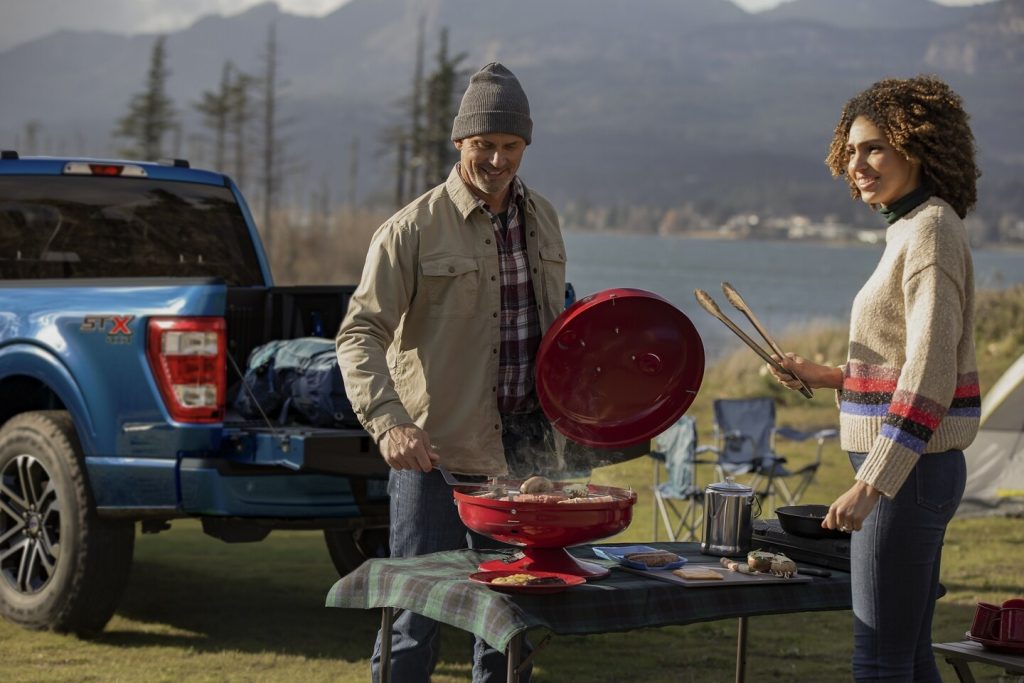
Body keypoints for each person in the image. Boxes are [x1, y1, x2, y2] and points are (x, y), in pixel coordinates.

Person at [336, 62, 566, 682]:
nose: (497, 159)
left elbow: (556, 327)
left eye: (510, 146)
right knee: (414, 619)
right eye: (483, 145)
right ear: (459, 143)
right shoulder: (409, 229)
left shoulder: (544, 218)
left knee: (510, 619)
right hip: (433, 456)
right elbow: (359, 334)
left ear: (526, 144)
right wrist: (388, 422)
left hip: (524, 460)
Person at [769, 75, 981, 682]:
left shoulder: (931, 231)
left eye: (875, 149)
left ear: (917, 147)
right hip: (917, 470)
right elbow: (910, 359)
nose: (857, 164)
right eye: (853, 150)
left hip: (905, 475)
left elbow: (931, 370)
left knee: (877, 661)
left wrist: (872, 483)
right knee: (907, 657)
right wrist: (834, 376)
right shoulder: (912, 227)